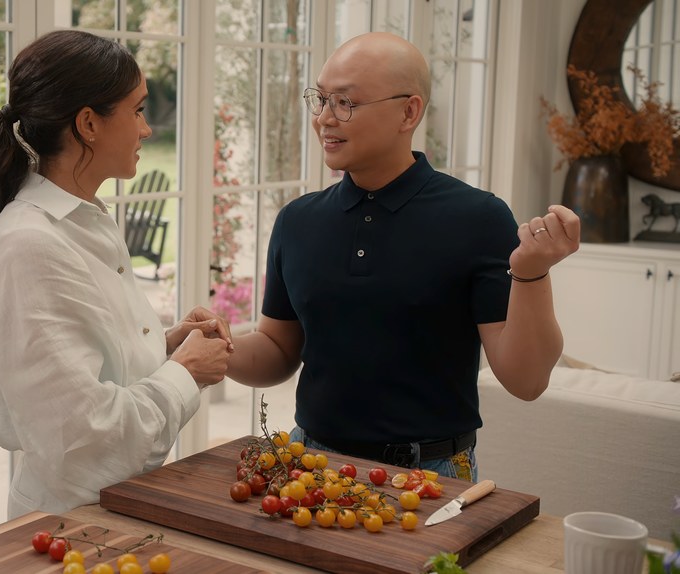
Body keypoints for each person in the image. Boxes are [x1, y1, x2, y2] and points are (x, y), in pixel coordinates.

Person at [225, 32, 580, 482]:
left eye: (345, 103)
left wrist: (531, 273)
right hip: (309, 466)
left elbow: (526, 380)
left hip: (428, 476)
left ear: (408, 111)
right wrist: (218, 347)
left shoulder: (479, 217)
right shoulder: (297, 221)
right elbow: (277, 349)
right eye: (320, 99)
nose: (324, 119)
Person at [0, 30, 233, 519]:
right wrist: (186, 373)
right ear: (88, 124)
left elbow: (83, 370)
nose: (146, 130)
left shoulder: (83, 221)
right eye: (137, 111)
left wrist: (165, 346)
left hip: (118, 514)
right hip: (73, 527)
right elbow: (81, 442)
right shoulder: (29, 245)